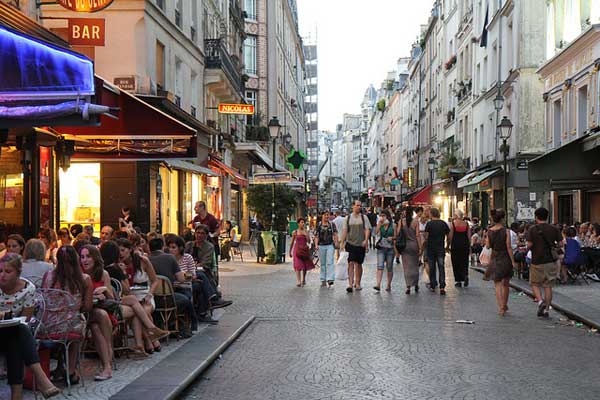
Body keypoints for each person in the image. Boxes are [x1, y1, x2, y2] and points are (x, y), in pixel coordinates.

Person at [42, 246, 114, 382]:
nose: (85, 260)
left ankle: (62, 368)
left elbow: (44, 299)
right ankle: (71, 371)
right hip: (69, 326)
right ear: (76, 260)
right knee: (77, 327)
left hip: (47, 326)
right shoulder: (84, 278)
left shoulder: (48, 275)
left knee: (88, 324)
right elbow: (87, 307)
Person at [0, 253, 62, 400]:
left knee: (17, 336)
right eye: (0, 271)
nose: (2, 275)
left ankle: (17, 395)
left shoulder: (28, 289)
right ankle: (40, 380)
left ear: (18, 273)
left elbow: (25, 319)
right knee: (18, 333)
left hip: (13, 334)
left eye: (8, 272)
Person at [148, 237, 197, 336]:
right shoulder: (170, 258)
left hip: (153, 297)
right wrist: (187, 275)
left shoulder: (146, 259)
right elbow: (181, 279)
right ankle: (185, 325)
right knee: (185, 300)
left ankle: (169, 324)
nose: (170, 249)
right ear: (162, 247)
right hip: (169, 296)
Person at [526, 207, 563, 318]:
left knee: (534, 283)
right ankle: (546, 310)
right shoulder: (554, 228)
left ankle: (540, 301)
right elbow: (561, 244)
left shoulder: (532, 229)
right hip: (550, 260)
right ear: (547, 216)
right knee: (548, 285)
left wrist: (526, 250)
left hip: (537, 260)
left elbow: (529, 245)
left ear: (536, 217)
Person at [486, 209, 514, 316]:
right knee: (506, 284)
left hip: (495, 257)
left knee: (497, 284)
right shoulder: (506, 231)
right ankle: (504, 304)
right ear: (503, 218)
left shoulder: (489, 231)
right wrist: (512, 261)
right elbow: (509, 247)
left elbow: (488, 246)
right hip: (505, 257)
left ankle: (501, 307)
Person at [340, 200, 371, 293]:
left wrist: (366, 240)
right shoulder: (348, 218)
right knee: (350, 263)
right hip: (350, 243)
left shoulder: (364, 217)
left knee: (358, 264)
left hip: (360, 244)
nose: (359, 207)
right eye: (357, 205)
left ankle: (358, 283)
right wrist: (342, 242)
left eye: (360, 206)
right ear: (353, 206)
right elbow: (345, 231)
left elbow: (367, 229)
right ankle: (350, 283)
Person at [423, 207, 450, 295]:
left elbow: (426, 237)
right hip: (440, 248)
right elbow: (448, 236)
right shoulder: (443, 224)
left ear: (432, 214)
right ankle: (442, 286)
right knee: (441, 267)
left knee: (432, 267)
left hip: (431, 248)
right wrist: (447, 246)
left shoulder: (429, 224)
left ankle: (433, 285)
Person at [400, 206, 422, 294]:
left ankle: (408, 286)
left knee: (406, 266)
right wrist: (420, 247)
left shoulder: (402, 222)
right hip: (414, 245)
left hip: (405, 246)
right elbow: (417, 235)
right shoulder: (416, 222)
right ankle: (416, 284)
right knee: (415, 265)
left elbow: (398, 233)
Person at [289, 217, 315, 287]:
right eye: (301, 222)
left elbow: (309, 241)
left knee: (304, 266)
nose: (303, 224)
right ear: (298, 223)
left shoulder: (306, 231)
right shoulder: (295, 232)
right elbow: (291, 242)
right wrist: (290, 251)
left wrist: (307, 235)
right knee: (298, 265)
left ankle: (303, 279)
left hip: (304, 250)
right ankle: (298, 281)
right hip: (297, 250)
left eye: (303, 222)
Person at [314, 211, 337, 287]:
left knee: (330, 262)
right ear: (322, 216)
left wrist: (336, 243)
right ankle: (323, 278)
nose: (327, 216)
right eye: (325, 215)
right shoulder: (319, 225)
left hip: (330, 245)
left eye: (328, 215)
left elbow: (335, 234)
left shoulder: (332, 224)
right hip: (321, 245)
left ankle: (330, 279)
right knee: (323, 263)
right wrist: (316, 245)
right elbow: (316, 235)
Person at [374, 210, 395, 292]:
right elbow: (375, 232)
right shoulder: (381, 224)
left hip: (390, 248)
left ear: (388, 216)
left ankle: (388, 284)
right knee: (380, 266)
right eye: (381, 215)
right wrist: (379, 224)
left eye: (384, 215)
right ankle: (378, 284)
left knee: (389, 267)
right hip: (381, 248)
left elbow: (396, 236)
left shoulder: (393, 225)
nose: (382, 217)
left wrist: (392, 238)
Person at [449, 210, 471, 288]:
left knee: (456, 262)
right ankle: (465, 274)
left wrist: (449, 244)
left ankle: (458, 280)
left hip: (456, 245)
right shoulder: (466, 224)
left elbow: (451, 235)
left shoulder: (453, 224)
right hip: (465, 245)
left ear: (456, 215)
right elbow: (469, 236)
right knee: (464, 261)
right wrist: (469, 246)